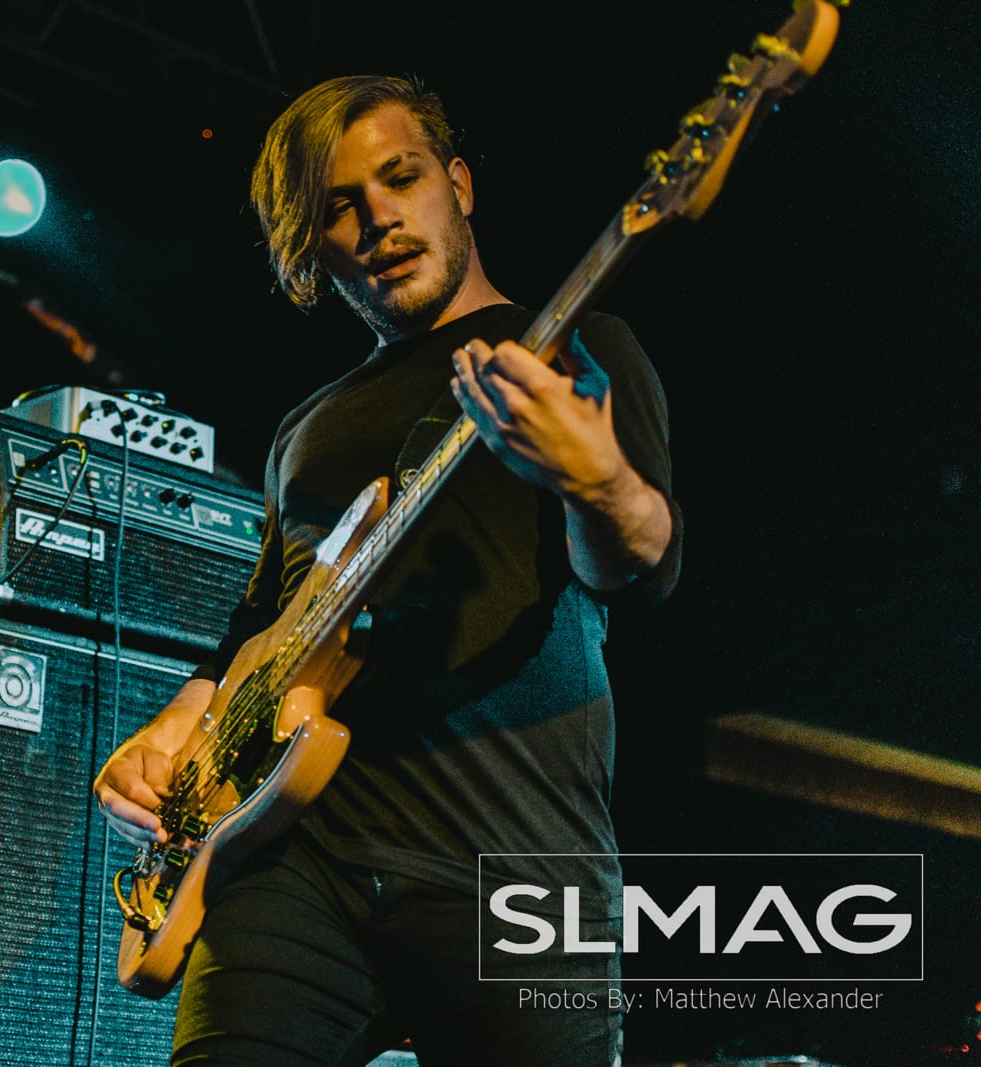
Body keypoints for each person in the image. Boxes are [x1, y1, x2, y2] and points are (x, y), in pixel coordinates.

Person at [93, 74, 681, 1067]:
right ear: (311, 250)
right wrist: (178, 726)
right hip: (290, 863)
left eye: (400, 178)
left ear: (458, 184)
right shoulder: (304, 429)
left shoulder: (574, 354)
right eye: (338, 206)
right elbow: (262, 620)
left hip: (508, 856)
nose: (377, 218)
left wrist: (597, 482)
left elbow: (640, 564)